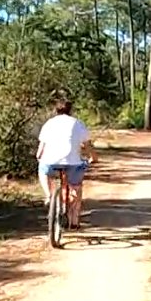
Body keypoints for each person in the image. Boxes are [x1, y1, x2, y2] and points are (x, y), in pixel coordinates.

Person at [36, 97, 97, 230]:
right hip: (73, 163)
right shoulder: (78, 123)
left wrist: (40, 157)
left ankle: (48, 195)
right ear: (71, 110)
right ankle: (74, 220)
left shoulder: (49, 124)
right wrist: (93, 157)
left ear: (56, 110)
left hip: (51, 163)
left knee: (42, 170)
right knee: (76, 187)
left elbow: (39, 151)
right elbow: (87, 146)